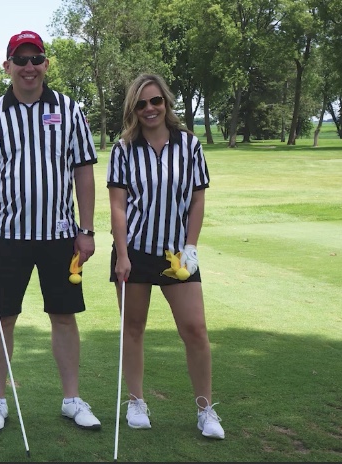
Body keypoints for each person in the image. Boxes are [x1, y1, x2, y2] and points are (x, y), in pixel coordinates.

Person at [0, 30, 102, 433]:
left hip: (61, 235)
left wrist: (87, 229)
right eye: (20, 59)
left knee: (64, 316)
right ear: (7, 66)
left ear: (45, 63)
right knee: (2, 317)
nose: (29, 67)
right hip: (7, 236)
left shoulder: (69, 109)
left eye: (36, 58)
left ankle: (72, 399)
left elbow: (83, 172)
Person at [106, 73, 225, 439]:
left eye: (155, 101)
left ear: (166, 103)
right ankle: (136, 401)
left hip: (177, 254)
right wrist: (122, 255)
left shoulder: (188, 144)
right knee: (134, 329)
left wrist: (191, 247)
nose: (149, 109)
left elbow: (197, 198)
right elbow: (118, 207)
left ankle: (206, 409)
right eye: (141, 104)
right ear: (133, 109)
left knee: (195, 329)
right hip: (135, 252)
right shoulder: (123, 149)